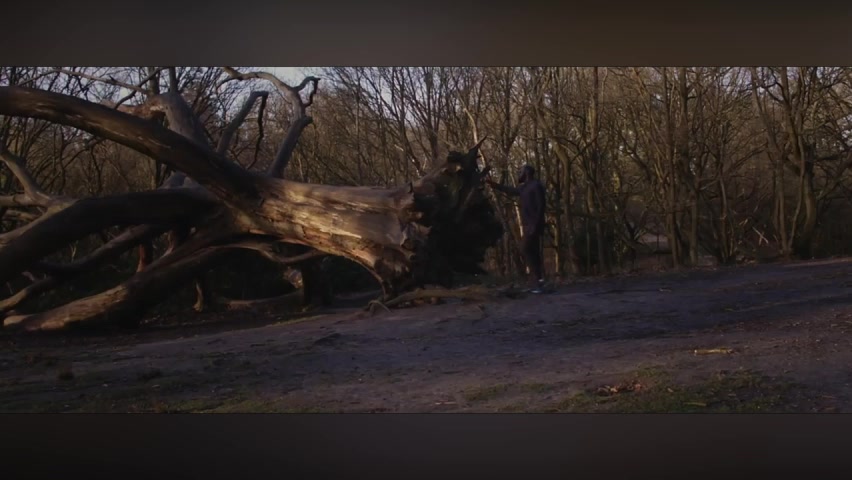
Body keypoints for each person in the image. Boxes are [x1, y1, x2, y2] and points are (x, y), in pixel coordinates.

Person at [486, 164, 547, 293]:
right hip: (528, 225)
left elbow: (541, 206)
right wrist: (493, 184)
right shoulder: (525, 187)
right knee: (533, 251)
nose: (520, 174)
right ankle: (539, 281)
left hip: (534, 225)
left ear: (527, 173)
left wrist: (536, 224)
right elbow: (511, 191)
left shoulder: (536, 186)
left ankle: (537, 279)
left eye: (521, 171)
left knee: (525, 248)